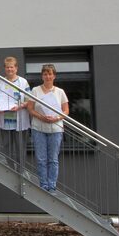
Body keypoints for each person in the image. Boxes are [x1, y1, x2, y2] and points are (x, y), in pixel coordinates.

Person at [27, 64, 69, 193]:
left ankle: (52, 185)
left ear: (54, 76)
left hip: (55, 129)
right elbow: (30, 108)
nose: (48, 76)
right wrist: (41, 117)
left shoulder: (60, 91)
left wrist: (56, 118)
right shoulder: (35, 90)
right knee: (41, 158)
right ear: (42, 76)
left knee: (53, 159)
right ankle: (44, 184)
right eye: (45, 74)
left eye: (50, 74)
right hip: (38, 127)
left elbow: (66, 111)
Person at [0, 57, 31, 170]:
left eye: (12, 67)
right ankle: (10, 168)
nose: (10, 69)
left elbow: (29, 100)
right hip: (5, 121)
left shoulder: (23, 82)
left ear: (16, 68)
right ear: (5, 68)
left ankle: (20, 170)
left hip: (20, 121)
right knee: (7, 147)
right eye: (7, 67)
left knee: (20, 148)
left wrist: (20, 106)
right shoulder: (0, 81)